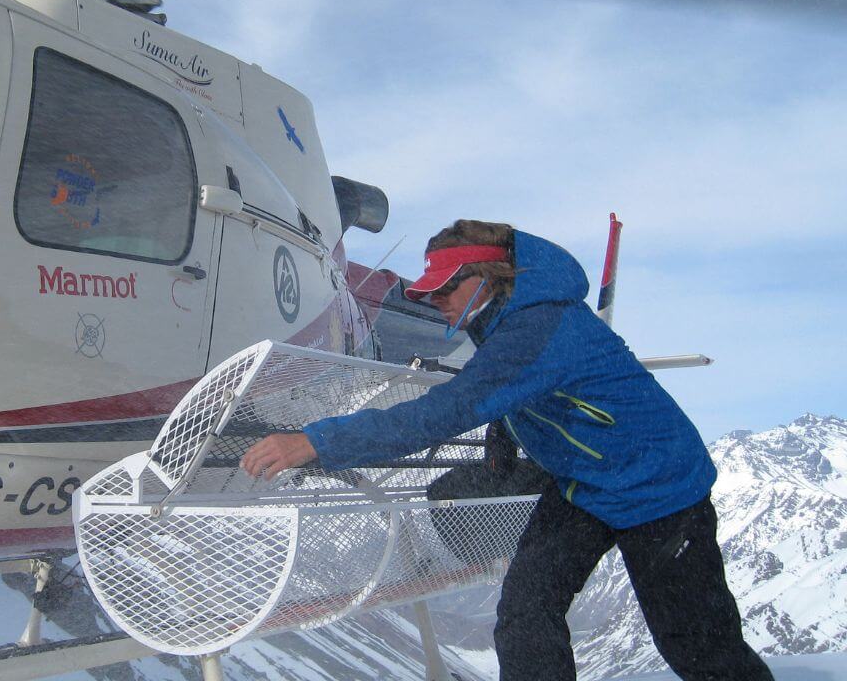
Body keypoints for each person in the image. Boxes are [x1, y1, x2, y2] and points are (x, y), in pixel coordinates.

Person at [240, 220, 772, 681]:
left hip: (659, 489)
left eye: (444, 288)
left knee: (697, 644)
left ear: (487, 278)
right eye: (427, 292)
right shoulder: (507, 320)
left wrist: (317, 440)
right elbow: (519, 394)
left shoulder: (535, 328)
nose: (433, 300)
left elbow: (449, 410)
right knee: (526, 612)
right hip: (582, 486)